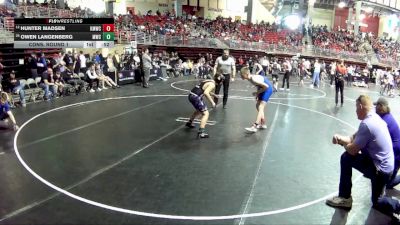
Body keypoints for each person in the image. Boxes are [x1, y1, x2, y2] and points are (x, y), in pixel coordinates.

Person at [327, 95, 394, 209]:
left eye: (356, 108)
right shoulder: (374, 118)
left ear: (361, 106)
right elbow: (352, 138)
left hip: (381, 170)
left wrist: (341, 143)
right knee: (377, 201)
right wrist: (339, 138)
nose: (356, 111)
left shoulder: (367, 124)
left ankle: (345, 198)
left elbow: (352, 150)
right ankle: (346, 196)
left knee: (346, 157)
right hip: (385, 166)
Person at [374, 97, 400, 189]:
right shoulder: (385, 116)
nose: (374, 108)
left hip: (396, 154)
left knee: (387, 184)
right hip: (395, 151)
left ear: (380, 106)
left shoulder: (385, 121)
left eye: (376, 106)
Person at [240, 67, 273, 133]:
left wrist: (257, 93)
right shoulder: (250, 78)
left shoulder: (253, 79)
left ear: (246, 74)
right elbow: (259, 85)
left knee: (261, 106)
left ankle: (255, 126)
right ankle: (263, 124)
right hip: (263, 88)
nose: (241, 76)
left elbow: (266, 86)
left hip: (267, 89)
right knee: (257, 105)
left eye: (241, 75)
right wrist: (258, 94)